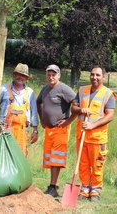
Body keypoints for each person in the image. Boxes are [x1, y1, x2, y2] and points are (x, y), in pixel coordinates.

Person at [70, 66, 117, 201]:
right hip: (82, 135)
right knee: (83, 164)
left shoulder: (108, 94)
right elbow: (73, 108)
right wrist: (80, 110)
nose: (94, 77)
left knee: (97, 165)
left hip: (97, 138)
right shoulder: (82, 90)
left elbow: (110, 116)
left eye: (97, 75)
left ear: (103, 77)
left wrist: (92, 125)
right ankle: (85, 188)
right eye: (92, 74)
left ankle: (95, 190)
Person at [36, 64, 77, 198]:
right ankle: (53, 185)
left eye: (54, 74)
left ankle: (53, 187)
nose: (51, 77)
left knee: (56, 159)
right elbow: (38, 102)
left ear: (59, 75)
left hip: (61, 129)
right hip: (49, 129)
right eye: (49, 74)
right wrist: (42, 119)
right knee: (50, 159)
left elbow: (76, 103)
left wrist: (68, 121)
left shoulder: (64, 89)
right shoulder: (46, 89)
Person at [0, 63, 39, 156]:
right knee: (3, 156)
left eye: (24, 76)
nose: (21, 77)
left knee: (19, 157)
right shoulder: (4, 89)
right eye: (19, 74)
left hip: (22, 131)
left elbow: (34, 113)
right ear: (14, 74)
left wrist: (35, 131)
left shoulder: (30, 92)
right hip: (4, 130)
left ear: (26, 78)